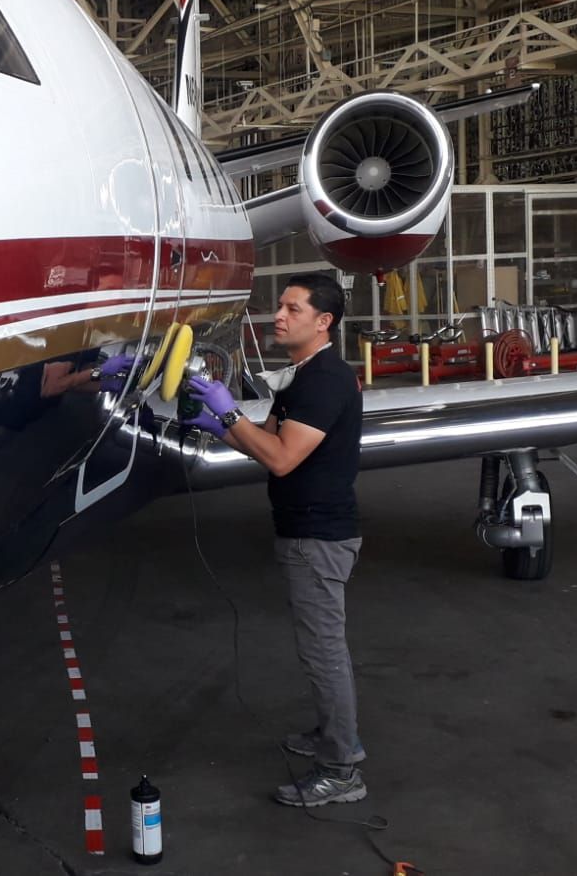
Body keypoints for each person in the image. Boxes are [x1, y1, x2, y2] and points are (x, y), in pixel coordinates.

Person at [182, 273, 367, 807]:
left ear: (323, 321)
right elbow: (268, 444)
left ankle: (342, 770)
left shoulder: (326, 379)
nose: (277, 316)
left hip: (318, 536)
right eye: (279, 306)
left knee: (323, 653)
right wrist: (216, 423)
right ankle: (334, 736)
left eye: (291, 308)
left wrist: (228, 409)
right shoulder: (306, 375)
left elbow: (282, 458)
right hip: (306, 530)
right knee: (323, 650)